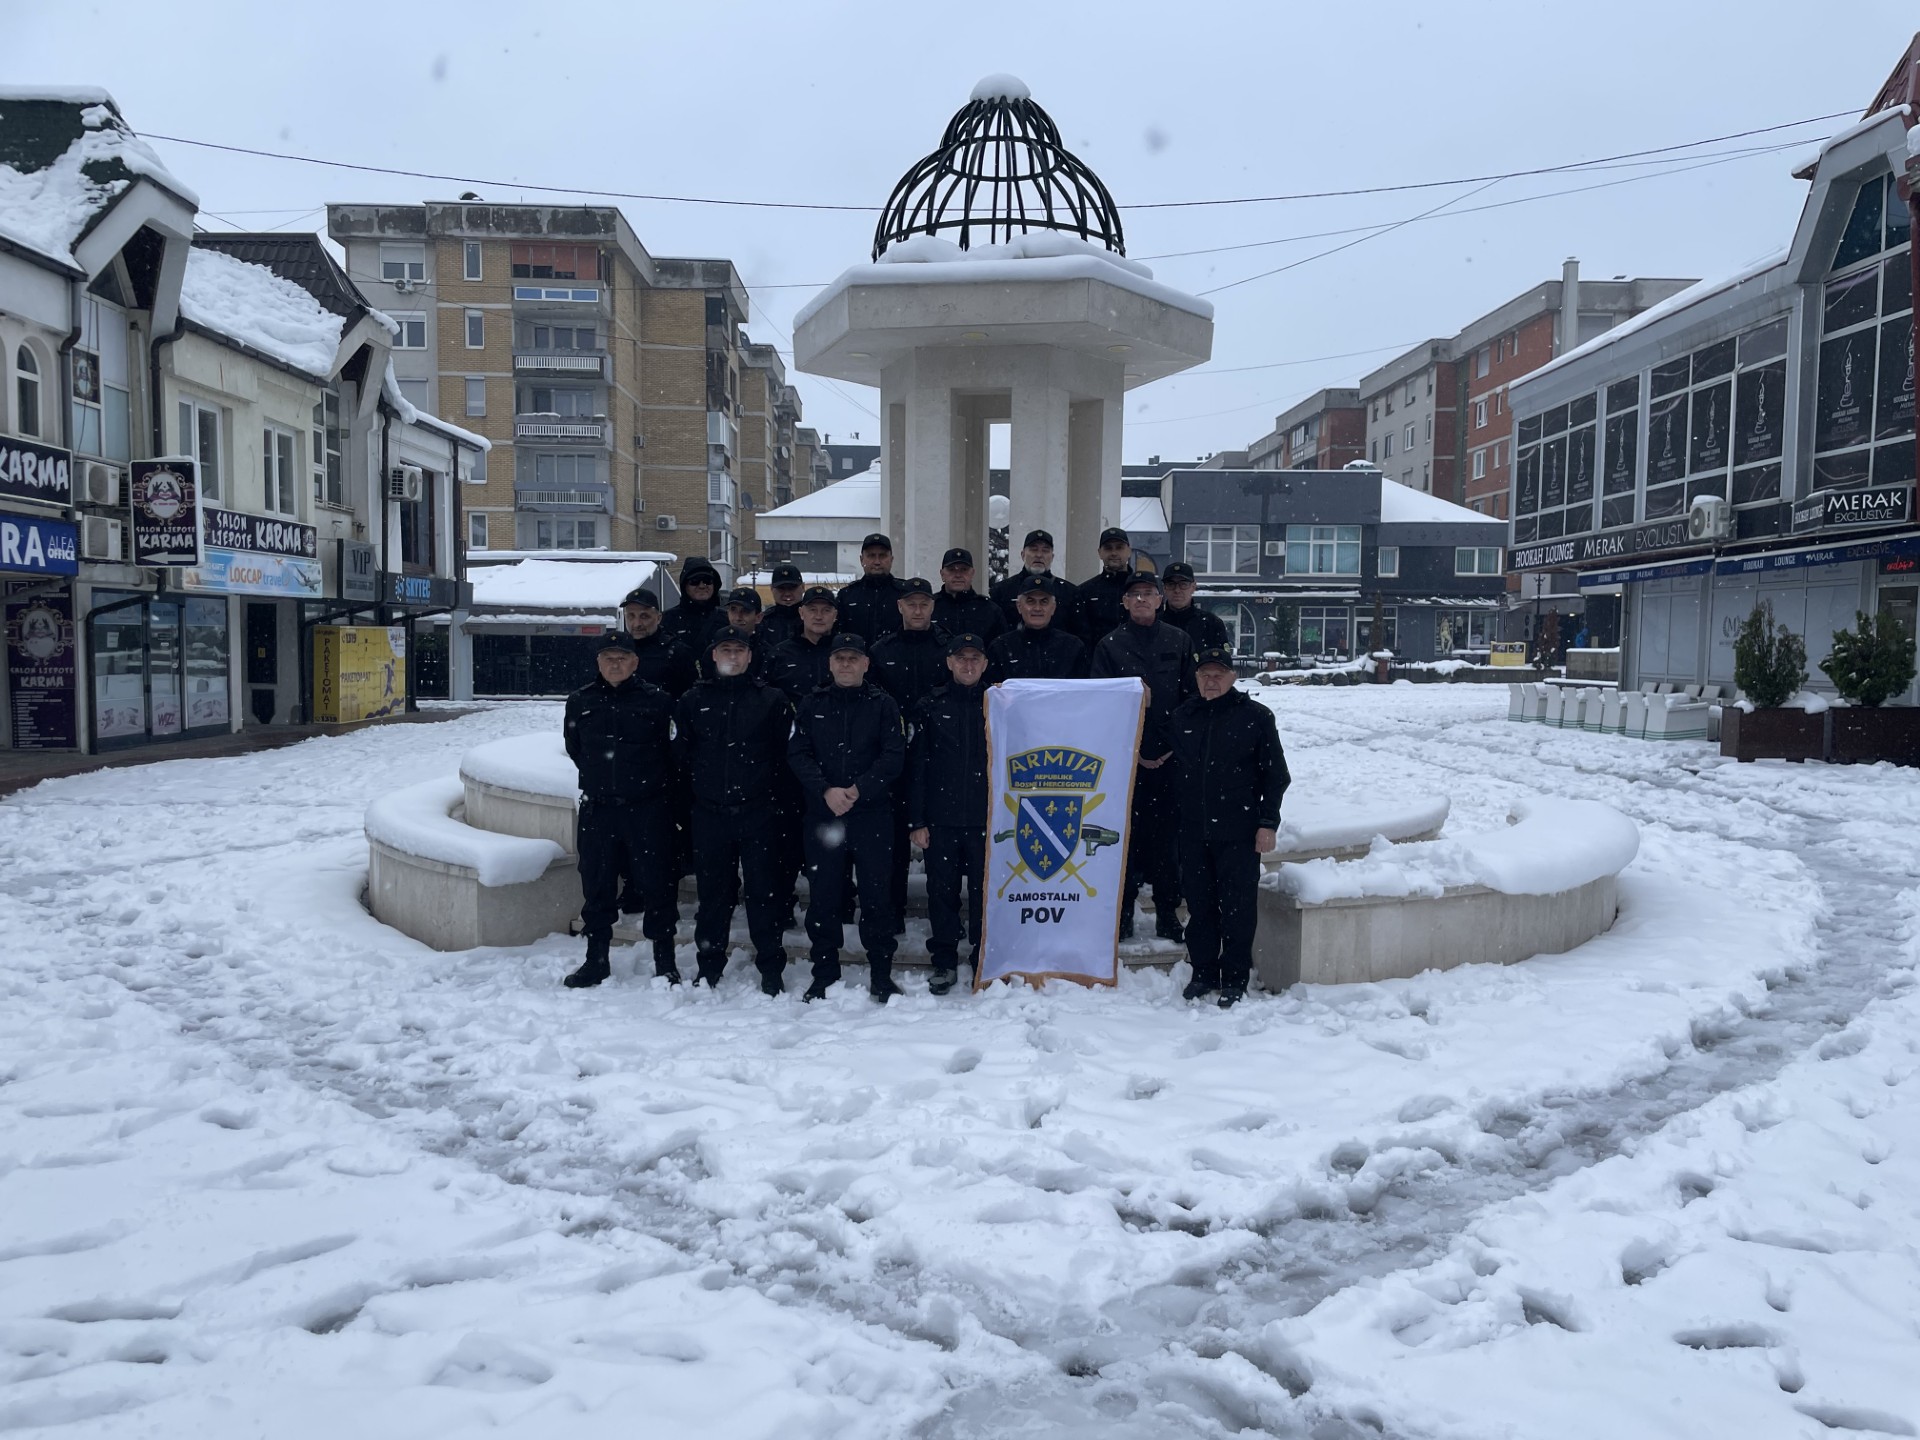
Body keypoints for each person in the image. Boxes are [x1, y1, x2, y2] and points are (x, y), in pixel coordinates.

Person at [674, 626, 795, 994]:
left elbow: (785, 758)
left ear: (749, 656)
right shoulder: (693, 700)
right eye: (725, 649)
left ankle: (771, 968)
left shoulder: (771, 700)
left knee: (764, 894)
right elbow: (680, 758)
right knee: (713, 896)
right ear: (713, 655)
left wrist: (777, 807)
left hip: (759, 814)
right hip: (710, 814)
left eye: (738, 650)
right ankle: (709, 966)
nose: (732, 656)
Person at [1167, 646, 1289, 1006]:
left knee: (1237, 908)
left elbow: (1275, 776)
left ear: (1233, 677)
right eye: (1205, 674)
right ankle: (1203, 973)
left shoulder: (1255, 717)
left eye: (1219, 674)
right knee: (1200, 906)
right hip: (1193, 831)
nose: (1211, 680)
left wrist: (1267, 823)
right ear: (1196, 678)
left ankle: (1235, 977)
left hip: (1239, 831)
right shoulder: (1183, 716)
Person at [788, 634, 906, 1002]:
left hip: (871, 815)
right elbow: (798, 753)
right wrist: (826, 790)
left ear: (866, 664)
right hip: (824, 815)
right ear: (830, 663)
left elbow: (893, 755)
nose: (846, 664)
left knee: (877, 897)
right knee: (824, 897)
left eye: (853, 658)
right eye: (840, 658)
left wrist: (859, 789)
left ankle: (881, 974)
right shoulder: (812, 704)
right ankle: (824, 973)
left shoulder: (884, 705)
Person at [561, 633, 680, 989]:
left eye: (622, 657)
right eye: (608, 657)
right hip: (599, 810)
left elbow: (672, 753)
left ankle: (665, 961)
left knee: (658, 885)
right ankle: (596, 960)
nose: (615, 664)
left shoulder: (658, 701)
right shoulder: (580, 701)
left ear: (635, 662)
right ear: (598, 662)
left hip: (647, 810)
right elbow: (576, 748)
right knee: (596, 885)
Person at [1090, 572, 1195, 943]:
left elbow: (1191, 699)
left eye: (1148, 593)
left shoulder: (1179, 641)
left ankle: (1167, 913)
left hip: (1170, 759)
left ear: (1159, 599)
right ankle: (1123, 913)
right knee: (1124, 840)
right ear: (1124, 602)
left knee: (1167, 843)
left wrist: (1171, 747)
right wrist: (1131, 750)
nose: (1141, 600)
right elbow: (1099, 702)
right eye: (1134, 595)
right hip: (1126, 762)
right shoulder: (1110, 645)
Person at [908, 633, 991, 995]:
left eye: (974, 658)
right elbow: (917, 767)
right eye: (961, 658)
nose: (968, 665)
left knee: (984, 894)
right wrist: (917, 820)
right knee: (941, 894)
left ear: (984, 664)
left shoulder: (999, 703)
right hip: (941, 820)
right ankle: (943, 960)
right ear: (949, 663)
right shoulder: (930, 705)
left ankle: (982, 958)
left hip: (986, 819)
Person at [870, 577, 948, 936]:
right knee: (893, 842)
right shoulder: (881, 650)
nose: (918, 610)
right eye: (911, 604)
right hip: (893, 755)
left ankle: (943, 918)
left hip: (939, 757)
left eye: (924, 604)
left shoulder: (947, 648)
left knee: (939, 840)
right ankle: (892, 912)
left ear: (933, 606)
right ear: (900, 606)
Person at [766, 586, 841, 928]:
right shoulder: (780, 654)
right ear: (801, 613)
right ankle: (782, 903)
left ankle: (835, 905)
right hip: (788, 763)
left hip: (834, 763)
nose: (819, 616)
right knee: (785, 838)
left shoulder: (845, 653)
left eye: (826, 610)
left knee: (830, 840)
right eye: (813, 610)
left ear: (835, 615)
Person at [987, 574, 1088, 681]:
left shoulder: (1072, 647)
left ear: (1053, 608)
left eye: (1044, 602)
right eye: (1030, 601)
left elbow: (1082, 688)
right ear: (1019, 606)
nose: (1037, 608)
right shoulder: (1001, 647)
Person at [990, 528, 1080, 634]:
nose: (1039, 555)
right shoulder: (1001, 591)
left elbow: (1080, 633)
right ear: (1023, 554)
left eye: (1045, 550)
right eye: (1034, 549)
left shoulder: (1069, 592)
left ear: (1052, 557)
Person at [618, 587, 699, 696]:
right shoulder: (615, 650)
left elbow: (691, 698)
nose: (637, 624)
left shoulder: (677, 652)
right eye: (631, 616)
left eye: (644, 616)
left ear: (659, 618)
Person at [835, 533, 908, 644]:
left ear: (891, 559)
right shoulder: (846, 596)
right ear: (861, 560)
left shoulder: (905, 593)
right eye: (871, 556)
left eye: (882, 556)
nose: (877, 562)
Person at [696, 587, 773, 682]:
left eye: (745, 611)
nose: (738, 617)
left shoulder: (768, 654)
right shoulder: (714, 650)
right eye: (733, 609)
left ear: (758, 617)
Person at [1076, 526, 1137, 642]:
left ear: (1129, 551)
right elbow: (1081, 634)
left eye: (1119, 547)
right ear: (1100, 553)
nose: (1114, 553)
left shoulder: (1142, 590)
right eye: (1108, 548)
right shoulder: (1084, 592)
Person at [932, 547, 1005, 643]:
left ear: (972, 573)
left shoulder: (990, 611)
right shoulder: (930, 608)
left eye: (964, 569)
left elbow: (1000, 648)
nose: (958, 575)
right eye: (951, 570)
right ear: (942, 574)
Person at [1158, 562, 1231, 651]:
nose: (1177, 590)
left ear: (1193, 587)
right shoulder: (1154, 624)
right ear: (1164, 588)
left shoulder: (1211, 624)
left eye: (1183, 584)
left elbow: (1221, 659)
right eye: (1171, 584)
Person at [661, 557, 725, 650]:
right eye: (695, 581)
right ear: (685, 586)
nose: (702, 586)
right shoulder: (668, 620)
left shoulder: (726, 619)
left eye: (707, 581)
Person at [758, 562, 808, 650]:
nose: (787, 594)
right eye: (781, 588)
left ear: (803, 587)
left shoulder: (813, 619)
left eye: (792, 588)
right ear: (771, 589)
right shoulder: (763, 622)